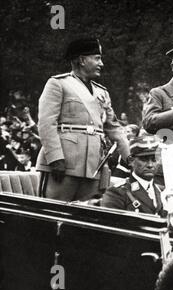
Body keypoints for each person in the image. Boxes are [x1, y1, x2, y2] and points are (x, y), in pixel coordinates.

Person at [36, 38, 129, 201]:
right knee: (52, 215)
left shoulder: (102, 93)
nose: (102, 64)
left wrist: (130, 157)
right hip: (63, 165)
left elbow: (114, 128)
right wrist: (55, 158)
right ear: (82, 60)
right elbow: (46, 124)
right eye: (97, 58)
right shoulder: (58, 84)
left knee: (87, 218)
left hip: (94, 167)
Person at [101, 134, 166, 216]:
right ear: (131, 161)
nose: (150, 165)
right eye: (144, 159)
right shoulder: (117, 192)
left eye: (154, 159)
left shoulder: (161, 192)